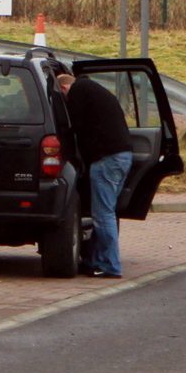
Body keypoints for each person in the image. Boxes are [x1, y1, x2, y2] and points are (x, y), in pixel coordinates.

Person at [55, 67, 134, 278]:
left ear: (63, 87)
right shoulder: (93, 88)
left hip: (106, 159)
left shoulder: (79, 91)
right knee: (106, 211)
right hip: (122, 155)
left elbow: (76, 128)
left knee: (103, 214)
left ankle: (111, 265)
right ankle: (96, 260)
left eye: (62, 96)